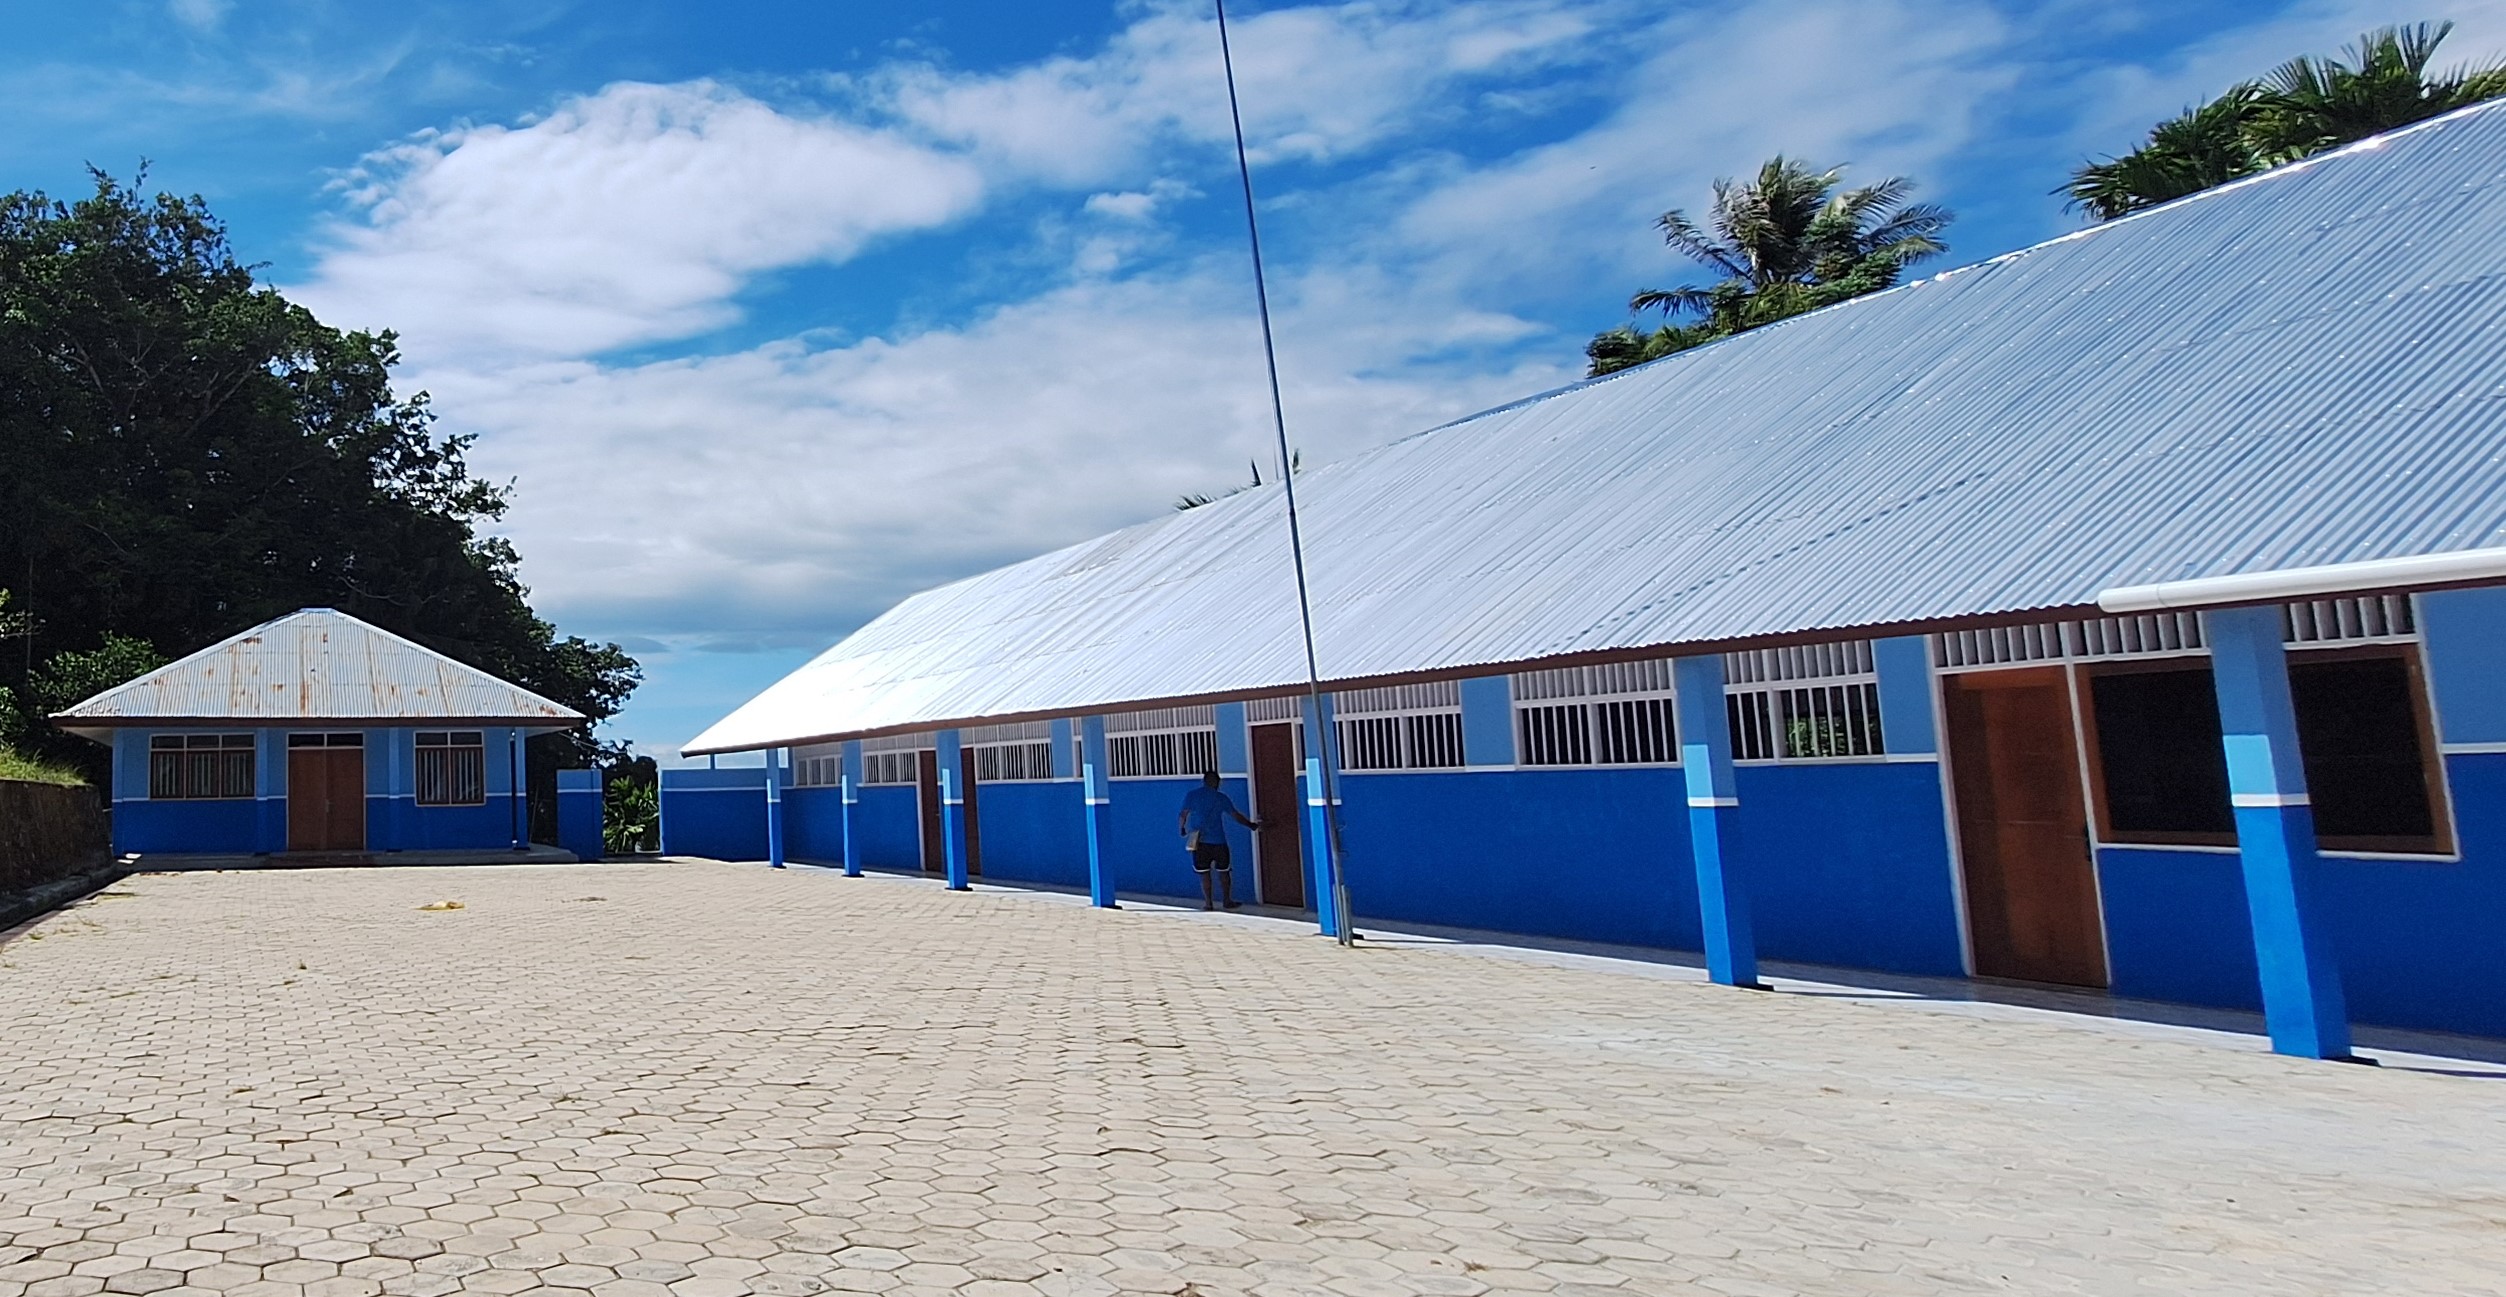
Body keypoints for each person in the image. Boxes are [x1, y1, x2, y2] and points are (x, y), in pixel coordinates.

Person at [1178, 770, 1261, 910]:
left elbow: (1183, 814)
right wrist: (1251, 825)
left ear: (1204, 781)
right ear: (1217, 782)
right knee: (1224, 872)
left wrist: (1182, 829)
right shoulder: (1221, 798)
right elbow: (1235, 816)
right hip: (1219, 841)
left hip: (1199, 842)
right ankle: (1227, 901)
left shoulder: (1192, 795)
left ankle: (1208, 903)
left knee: (1204, 873)